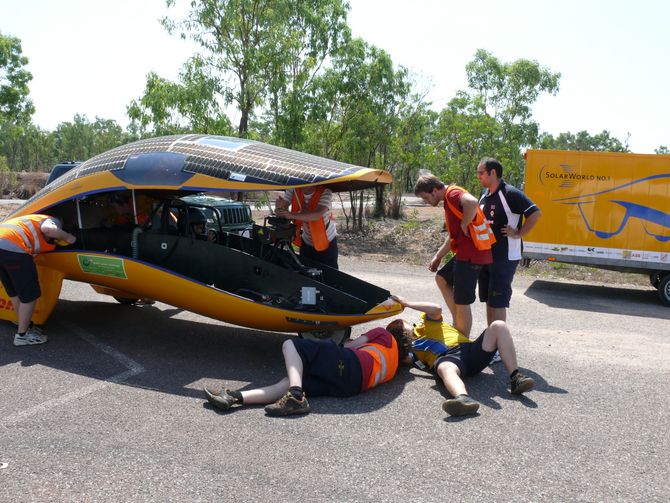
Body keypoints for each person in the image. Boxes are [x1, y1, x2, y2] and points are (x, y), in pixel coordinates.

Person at [204, 326, 412, 417]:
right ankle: (233, 397)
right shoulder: (395, 365)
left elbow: (349, 347)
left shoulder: (383, 334)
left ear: (393, 330)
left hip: (350, 363)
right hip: (351, 387)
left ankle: (296, 396)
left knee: (291, 345)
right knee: (293, 379)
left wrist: (338, 344)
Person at [387, 295, 535, 417]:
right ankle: (463, 399)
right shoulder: (412, 350)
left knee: (498, 325)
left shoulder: (424, 322)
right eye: (400, 333)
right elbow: (403, 360)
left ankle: (516, 377)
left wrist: (406, 303)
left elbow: (436, 308)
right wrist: (400, 346)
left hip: (469, 349)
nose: (404, 332)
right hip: (448, 359)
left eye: (402, 328)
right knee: (445, 368)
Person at [414, 174, 492, 337]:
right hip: (465, 254)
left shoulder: (452, 194)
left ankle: (462, 340)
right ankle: (458, 323)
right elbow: (453, 236)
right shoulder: (449, 201)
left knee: (462, 300)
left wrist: (465, 223)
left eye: (425, 197)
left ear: (434, 190)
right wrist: (438, 256)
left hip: (472, 255)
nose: (426, 201)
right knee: (442, 278)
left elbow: (471, 202)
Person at [476, 158, 541, 325]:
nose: (478, 176)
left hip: (504, 257)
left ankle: (498, 343)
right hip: (486, 256)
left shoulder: (510, 193)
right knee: (489, 301)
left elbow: (535, 213)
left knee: (498, 302)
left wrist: (519, 233)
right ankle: (490, 342)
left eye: (481, 173)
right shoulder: (484, 194)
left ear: (493, 173)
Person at [0, 214, 76, 346]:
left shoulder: (29, 220)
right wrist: (68, 237)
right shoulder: (53, 220)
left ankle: (25, 326)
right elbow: (48, 229)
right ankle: (22, 336)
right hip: (13, 248)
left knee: (15, 292)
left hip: (4, 246)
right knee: (29, 296)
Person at [274, 186, 338, 269]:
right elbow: (282, 210)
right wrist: (279, 208)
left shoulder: (326, 191)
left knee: (330, 274)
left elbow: (317, 215)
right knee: (305, 270)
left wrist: (291, 215)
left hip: (326, 240)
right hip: (307, 240)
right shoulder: (293, 188)